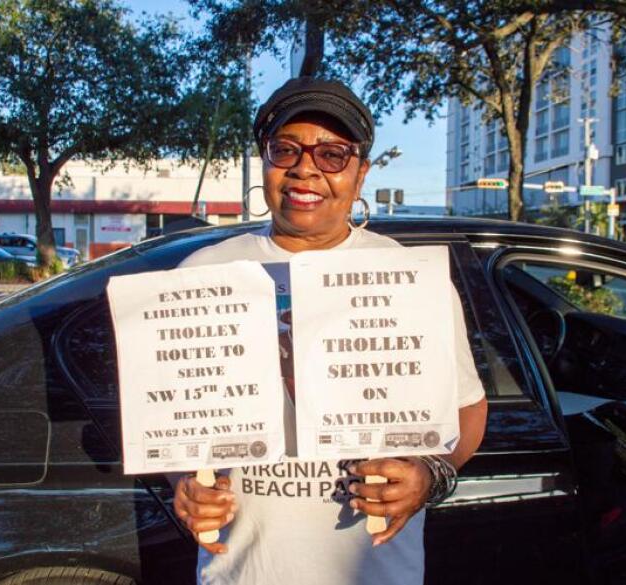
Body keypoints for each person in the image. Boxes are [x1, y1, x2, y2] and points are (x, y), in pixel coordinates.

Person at [173, 77, 488, 585]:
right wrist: (186, 485)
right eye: (286, 149)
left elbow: (469, 409)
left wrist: (429, 475)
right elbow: (176, 421)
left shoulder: (409, 278)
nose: (305, 168)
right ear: (265, 161)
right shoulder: (202, 273)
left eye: (333, 155)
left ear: (360, 175)